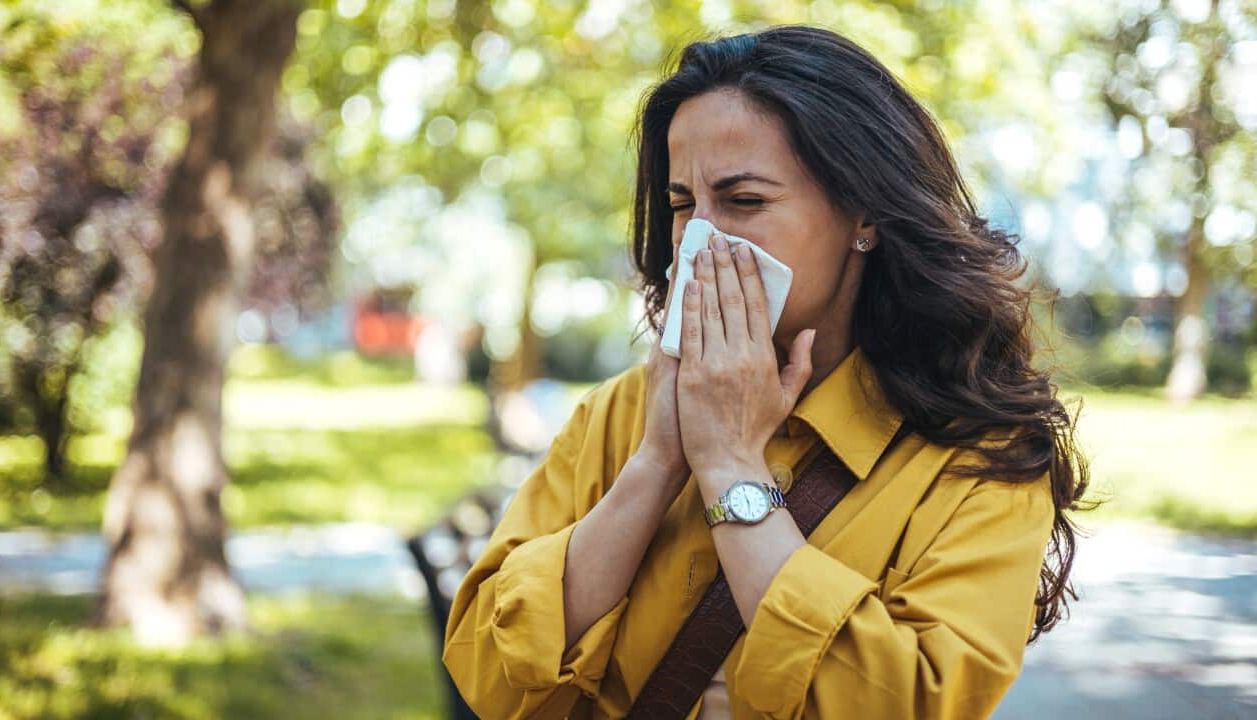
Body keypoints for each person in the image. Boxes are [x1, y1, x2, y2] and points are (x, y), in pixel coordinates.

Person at [442, 24, 1088, 720]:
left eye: (744, 201)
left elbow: (907, 703)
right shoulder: (621, 413)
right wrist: (658, 462)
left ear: (864, 215)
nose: (699, 238)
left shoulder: (979, 461)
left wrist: (729, 469)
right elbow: (485, 670)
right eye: (683, 204)